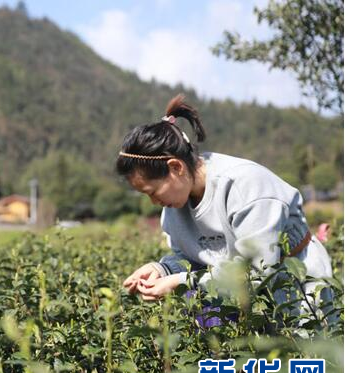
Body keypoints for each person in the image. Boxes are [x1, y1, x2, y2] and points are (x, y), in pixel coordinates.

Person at [118, 95, 333, 324]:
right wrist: (162, 270)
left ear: (175, 167)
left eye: (152, 192)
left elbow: (257, 270)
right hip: (237, 302)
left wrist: (181, 282)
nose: (153, 202)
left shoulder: (244, 185)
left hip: (296, 291)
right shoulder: (176, 202)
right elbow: (191, 256)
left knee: (304, 355)